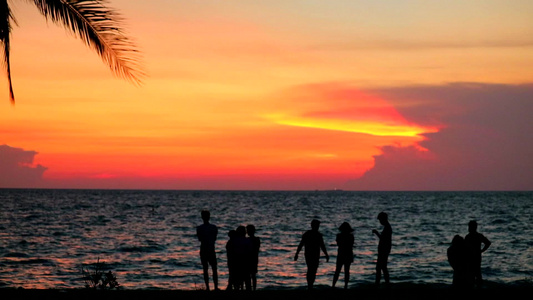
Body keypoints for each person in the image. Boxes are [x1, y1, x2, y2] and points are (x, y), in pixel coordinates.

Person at [294, 219, 329, 290]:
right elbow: (322, 246)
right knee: (312, 269)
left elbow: (322, 246)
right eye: (317, 225)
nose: (318, 227)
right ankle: (310, 285)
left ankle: (310, 285)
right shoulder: (316, 235)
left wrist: (297, 254)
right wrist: (326, 254)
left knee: (311, 269)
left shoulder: (309, 234)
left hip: (310, 254)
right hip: (312, 254)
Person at [196, 210, 219, 291]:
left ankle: (208, 287)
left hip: (204, 249)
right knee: (214, 269)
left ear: (202, 217)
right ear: (209, 217)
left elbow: (199, 239)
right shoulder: (214, 227)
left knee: (205, 269)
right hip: (211, 249)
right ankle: (215, 287)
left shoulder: (199, 228)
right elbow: (215, 238)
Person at [464, 220, 491, 287]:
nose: (469, 228)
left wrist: (481, 251)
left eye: (470, 227)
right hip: (475, 257)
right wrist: (481, 251)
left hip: (472, 258)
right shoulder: (478, 236)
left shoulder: (468, 237)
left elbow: (488, 243)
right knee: (477, 274)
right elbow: (488, 243)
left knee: (473, 275)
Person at [332, 222, 354, 289]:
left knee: (337, 270)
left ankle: (333, 285)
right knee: (347, 271)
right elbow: (351, 245)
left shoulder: (339, 236)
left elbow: (338, 244)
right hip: (348, 254)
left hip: (341, 254)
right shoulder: (351, 236)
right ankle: (345, 286)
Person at [372, 212, 392, 285]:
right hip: (384, 250)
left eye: (380, 220)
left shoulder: (387, 228)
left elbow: (383, 239)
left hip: (384, 250)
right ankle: (384, 283)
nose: (380, 222)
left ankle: (379, 283)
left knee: (380, 268)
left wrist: (376, 232)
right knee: (382, 267)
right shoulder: (387, 227)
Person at [246, 224, 260, 291]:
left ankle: (250, 288)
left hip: (250, 259)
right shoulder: (257, 239)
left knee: (249, 275)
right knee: (253, 275)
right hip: (254, 258)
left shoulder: (249, 240)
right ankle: (253, 288)